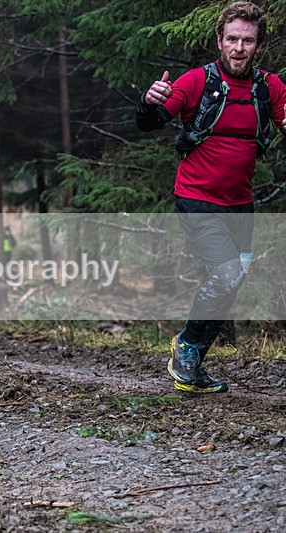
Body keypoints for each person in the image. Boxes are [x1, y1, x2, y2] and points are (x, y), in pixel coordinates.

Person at [137, 1, 286, 393]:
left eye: (248, 41)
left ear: (258, 46)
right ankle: (186, 345)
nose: (239, 48)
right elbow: (150, 123)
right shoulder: (195, 82)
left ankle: (192, 366)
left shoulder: (268, 88)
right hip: (196, 199)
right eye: (232, 39)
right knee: (226, 273)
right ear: (219, 40)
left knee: (232, 281)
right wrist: (148, 100)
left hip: (241, 203)